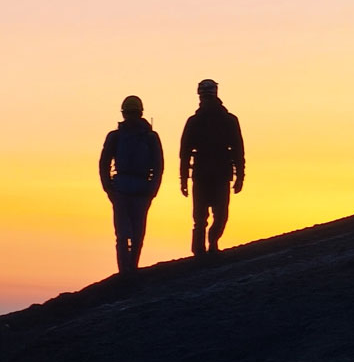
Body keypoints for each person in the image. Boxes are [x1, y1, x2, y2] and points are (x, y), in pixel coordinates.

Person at [179, 78, 245, 256]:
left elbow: (184, 152)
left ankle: (206, 247)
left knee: (207, 216)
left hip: (214, 172)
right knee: (210, 215)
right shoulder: (225, 120)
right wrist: (240, 176)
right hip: (210, 173)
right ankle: (204, 248)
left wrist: (183, 178)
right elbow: (185, 152)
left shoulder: (222, 120)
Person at [99, 95, 164, 273]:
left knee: (128, 234)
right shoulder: (145, 136)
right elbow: (159, 166)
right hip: (131, 190)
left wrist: (109, 188)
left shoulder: (143, 137)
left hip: (132, 190)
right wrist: (109, 188)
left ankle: (128, 270)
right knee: (131, 234)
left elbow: (104, 164)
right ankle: (127, 270)